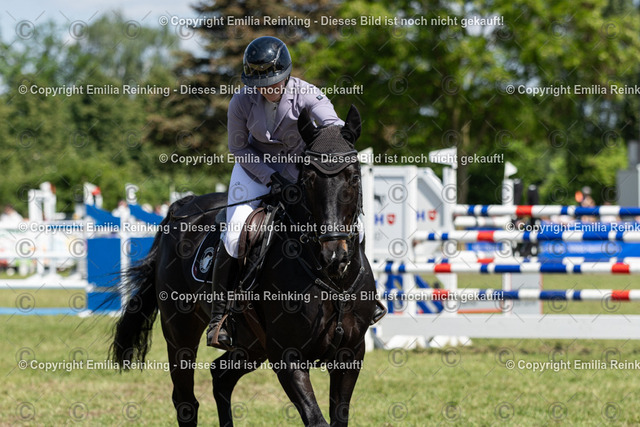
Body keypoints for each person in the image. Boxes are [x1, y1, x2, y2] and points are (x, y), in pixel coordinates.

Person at [206, 36, 385, 349]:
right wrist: (270, 177)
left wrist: (338, 139)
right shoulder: (241, 101)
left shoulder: (308, 94)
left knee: (345, 224)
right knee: (235, 233)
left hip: (300, 171)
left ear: (286, 75)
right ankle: (221, 316)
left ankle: (364, 297)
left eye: (273, 82)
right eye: (260, 84)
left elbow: (332, 126)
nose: (267, 89)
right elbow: (239, 148)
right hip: (253, 169)